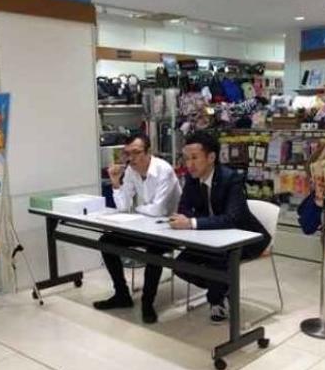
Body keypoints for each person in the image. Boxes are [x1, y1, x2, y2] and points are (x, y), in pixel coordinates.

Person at [169, 131, 271, 323]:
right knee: (180, 265)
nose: (189, 164)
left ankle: (216, 300)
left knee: (218, 259)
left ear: (211, 157)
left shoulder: (231, 179)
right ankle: (223, 287)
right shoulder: (192, 178)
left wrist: (191, 223)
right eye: (186, 158)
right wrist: (185, 218)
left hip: (246, 238)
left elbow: (232, 218)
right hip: (210, 238)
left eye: (194, 158)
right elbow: (184, 208)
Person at [93, 134, 182, 324]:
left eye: (136, 152)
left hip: (172, 227)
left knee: (154, 252)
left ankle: (147, 303)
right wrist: (115, 182)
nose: (131, 158)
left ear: (149, 152)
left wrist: (138, 208)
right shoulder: (131, 171)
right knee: (106, 242)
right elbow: (124, 206)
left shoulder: (163, 170)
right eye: (128, 153)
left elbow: (159, 210)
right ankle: (122, 295)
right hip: (147, 225)